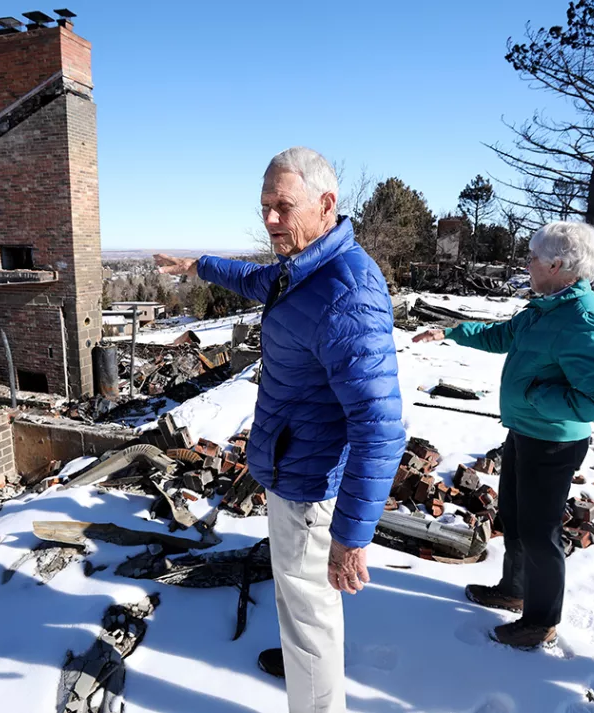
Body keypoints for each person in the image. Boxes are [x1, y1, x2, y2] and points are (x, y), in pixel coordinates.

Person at [154, 147, 405, 713]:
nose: (270, 219)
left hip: (311, 487)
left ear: (326, 204)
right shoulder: (304, 270)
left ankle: (314, 694)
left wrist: (351, 538)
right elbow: (255, 280)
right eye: (264, 206)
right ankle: (305, 671)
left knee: (311, 614)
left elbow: (380, 428)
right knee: (300, 603)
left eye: (282, 207)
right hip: (291, 467)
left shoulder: (346, 292)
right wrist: (198, 266)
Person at [413, 221, 594, 649]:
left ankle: (541, 621)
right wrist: (451, 332)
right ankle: (514, 589)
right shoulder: (546, 306)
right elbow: (504, 335)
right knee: (515, 517)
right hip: (525, 432)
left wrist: (536, 396)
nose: (527, 265)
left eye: (533, 258)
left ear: (557, 265)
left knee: (541, 533)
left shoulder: (580, 319)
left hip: (555, 442)